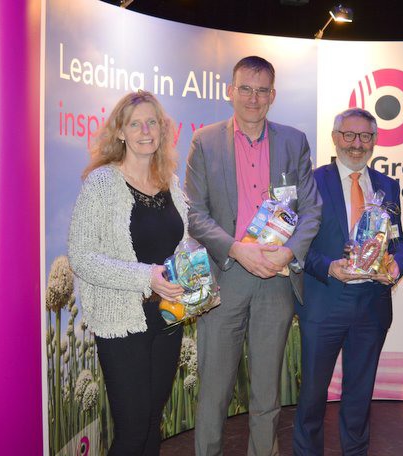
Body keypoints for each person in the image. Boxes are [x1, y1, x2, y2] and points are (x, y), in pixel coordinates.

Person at [185, 55, 322, 455]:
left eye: (262, 90)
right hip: (225, 276)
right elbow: (195, 214)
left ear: (273, 95)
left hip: (276, 280)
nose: (253, 98)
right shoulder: (204, 141)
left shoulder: (294, 141)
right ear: (230, 91)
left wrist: (289, 254)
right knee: (213, 393)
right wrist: (237, 250)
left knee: (267, 395)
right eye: (245, 88)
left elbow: (311, 210)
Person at [68, 90, 188, 455]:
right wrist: (146, 277)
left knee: (152, 422)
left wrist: (191, 272)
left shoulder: (171, 182)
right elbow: (82, 257)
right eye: (135, 124)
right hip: (122, 323)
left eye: (152, 122)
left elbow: (181, 243)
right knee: (133, 431)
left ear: (163, 129)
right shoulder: (102, 184)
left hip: (168, 318)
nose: (145, 131)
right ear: (120, 132)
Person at [292, 108, 403, 455]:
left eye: (365, 136)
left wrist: (396, 266)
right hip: (324, 303)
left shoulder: (388, 185)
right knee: (312, 398)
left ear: (375, 140)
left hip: (372, 305)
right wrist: (329, 267)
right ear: (335, 138)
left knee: (359, 399)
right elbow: (296, 245)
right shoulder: (312, 182)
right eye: (349, 135)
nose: (357, 144)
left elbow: (398, 241)